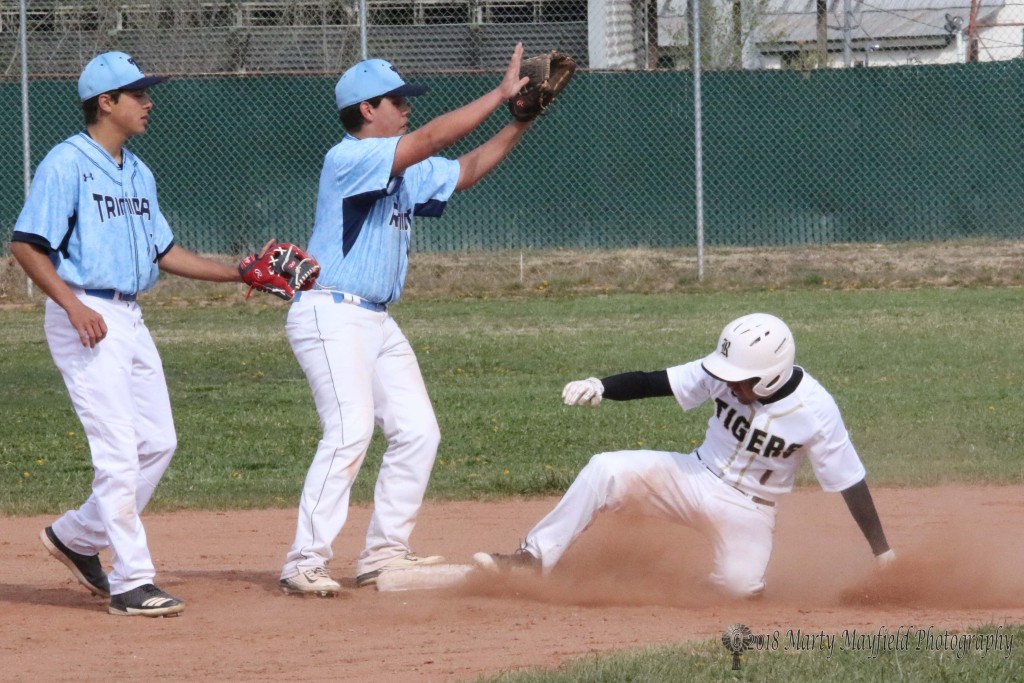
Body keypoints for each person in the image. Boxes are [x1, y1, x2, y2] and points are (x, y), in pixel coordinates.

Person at [10, 52, 264, 617]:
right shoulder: (66, 163)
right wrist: (72, 306)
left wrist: (238, 271)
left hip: (127, 316)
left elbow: (165, 252)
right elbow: (27, 244)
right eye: (138, 93)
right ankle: (131, 582)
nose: (149, 102)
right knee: (119, 453)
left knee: (158, 441)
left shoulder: (139, 171)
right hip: (86, 315)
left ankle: (76, 536)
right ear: (106, 102)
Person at [278, 45, 537, 596]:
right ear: (368, 110)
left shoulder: (403, 169)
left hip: (375, 320)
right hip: (331, 314)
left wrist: (521, 121)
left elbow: (464, 169)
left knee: (418, 431)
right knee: (349, 431)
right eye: (397, 101)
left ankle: (384, 555)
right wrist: (498, 94)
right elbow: (433, 141)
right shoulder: (346, 158)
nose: (407, 107)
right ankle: (303, 560)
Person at [474, 313, 896, 598]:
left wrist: (883, 554)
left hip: (750, 510)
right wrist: (601, 385)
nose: (729, 385)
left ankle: (691, 584)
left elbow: (849, 482)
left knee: (737, 590)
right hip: (693, 475)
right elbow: (654, 381)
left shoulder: (816, 412)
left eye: (741, 380)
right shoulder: (725, 374)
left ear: (771, 377)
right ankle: (533, 559)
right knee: (605, 469)